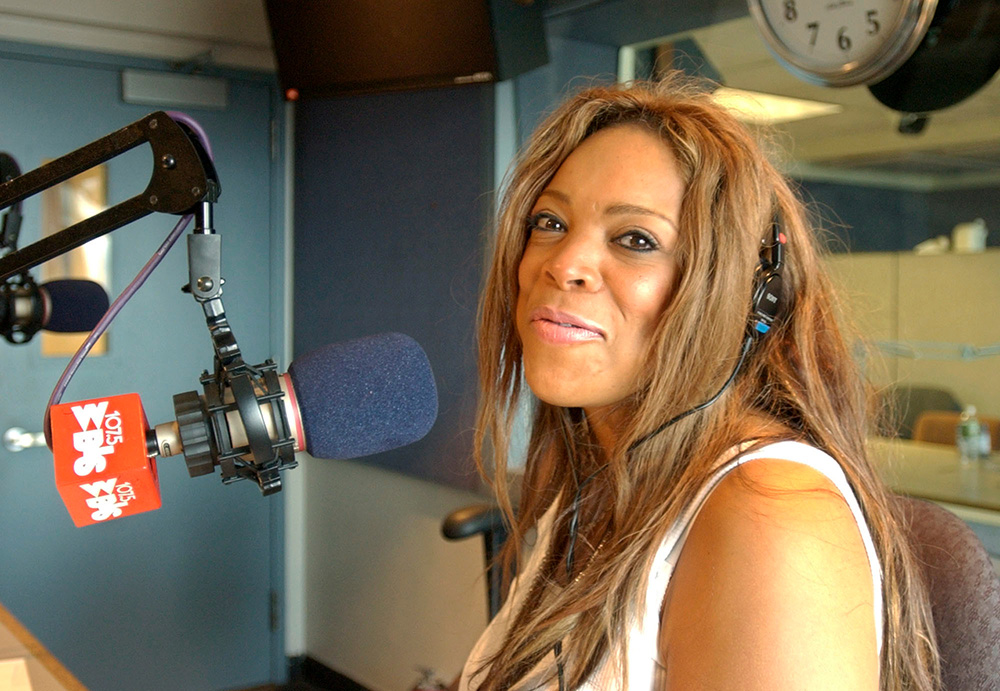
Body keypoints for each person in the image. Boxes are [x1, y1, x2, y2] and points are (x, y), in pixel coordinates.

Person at [459, 75, 940, 690]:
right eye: (549, 222)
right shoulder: (598, 481)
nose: (563, 263)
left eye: (636, 239)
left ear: (742, 299)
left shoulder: (772, 521)